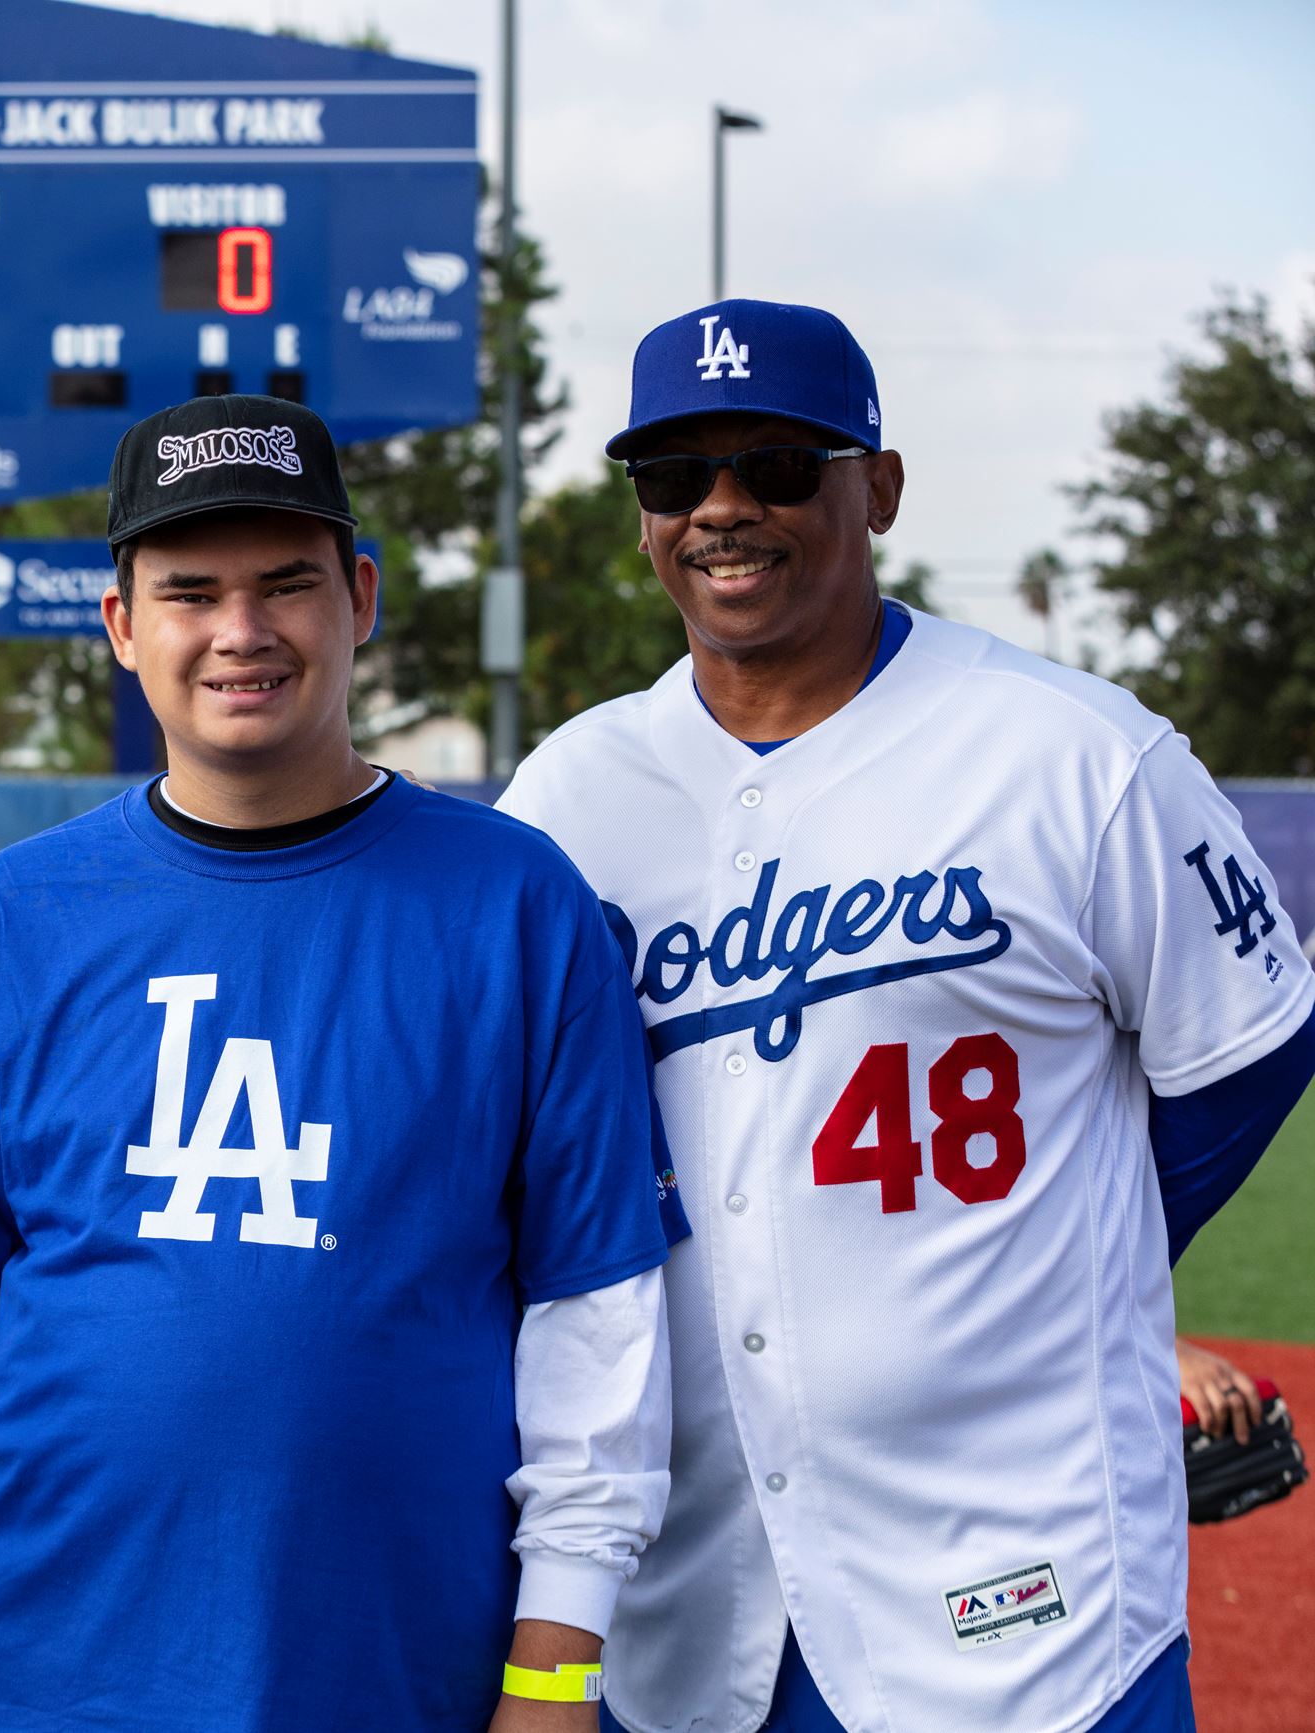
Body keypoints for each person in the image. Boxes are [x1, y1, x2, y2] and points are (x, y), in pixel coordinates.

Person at [496, 298, 1315, 1733]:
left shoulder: (1075, 753)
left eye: (780, 464)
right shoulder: (569, 796)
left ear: (876, 484)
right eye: (676, 477)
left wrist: (1067, 1278)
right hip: (691, 1592)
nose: (725, 509)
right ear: (642, 519)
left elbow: (1244, 1054)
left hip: (1030, 1597)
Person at [0, 396, 685, 1732]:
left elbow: (600, 1326)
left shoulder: (517, 903)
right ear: (122, 625)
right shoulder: (13, 917)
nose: (242, 632)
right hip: (53, 1673)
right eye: (189, 592)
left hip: (407, 1670)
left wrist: (552, 1673)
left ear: (359, 596)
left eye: (287, 583)